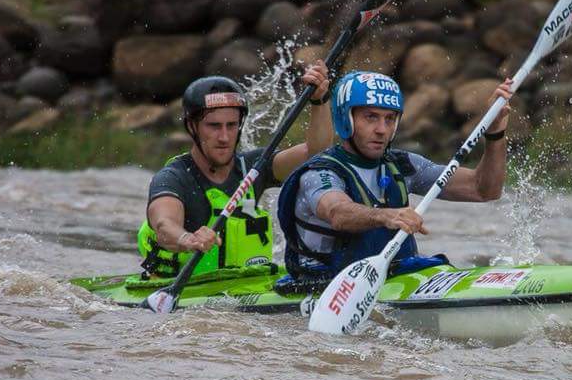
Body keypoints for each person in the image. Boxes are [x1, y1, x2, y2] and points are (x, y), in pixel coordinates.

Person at [277, 70, 512, 280]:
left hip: (389, 275)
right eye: (371, 117)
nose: (381, 129)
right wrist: (385, 216)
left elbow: (484, 189)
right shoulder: (322, 172)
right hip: (323, 282)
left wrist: (494, 134)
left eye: (389, 119)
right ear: (345, 119)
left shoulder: (403, 164)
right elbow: (338, 213)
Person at [138, 61, 334, 277]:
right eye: (214, 126)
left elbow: (315, 153)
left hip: (243, 289)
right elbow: (164, 226)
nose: (224, 137)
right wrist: (188, 239)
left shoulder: (255, 167)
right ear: (192, 126)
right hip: (185, 291)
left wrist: (320, 101)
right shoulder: (173, 177)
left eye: (231, 126)